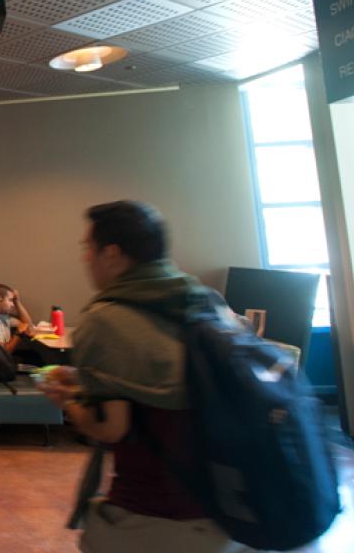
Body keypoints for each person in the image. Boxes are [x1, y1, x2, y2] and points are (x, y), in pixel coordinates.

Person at [39, 201, 250, 553]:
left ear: (112, 253)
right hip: (233, 506)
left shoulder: (105, 318)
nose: (85, 258)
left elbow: (110, 427)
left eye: (87, 249)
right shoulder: (206, 300)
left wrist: (69, 399)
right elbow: (173, 376)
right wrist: (87, 378)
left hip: (156, 513)